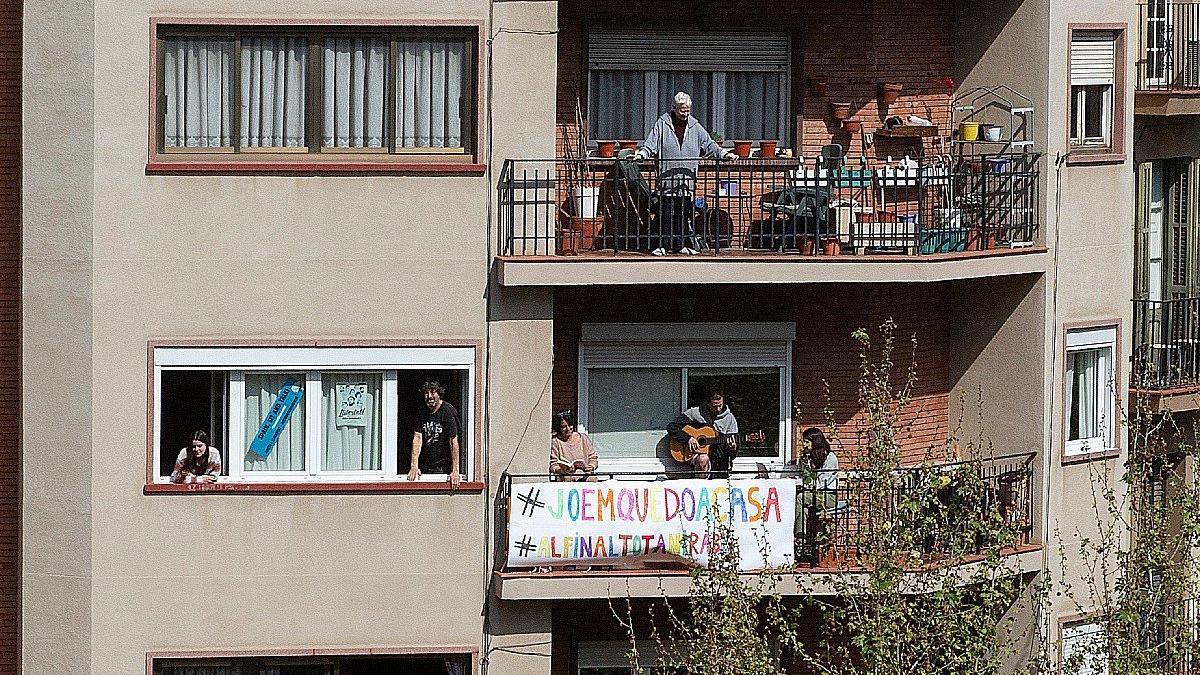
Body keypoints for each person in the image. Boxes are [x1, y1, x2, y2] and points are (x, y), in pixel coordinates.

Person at [635, 92, 739, 256]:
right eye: (682, 111)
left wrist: (724, 154)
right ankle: (661, 245)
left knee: (682, 215)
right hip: (667, 181)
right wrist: (641, 154)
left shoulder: (695, 126)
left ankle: (679, 245)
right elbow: (650, 145)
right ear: (674, 108)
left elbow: (709, 144)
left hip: (687, 181)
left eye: (688, 110)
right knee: (665, 215)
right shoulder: (662, 124)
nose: (685, 114)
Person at [666, 382, 739, 474]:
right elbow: (672, 427)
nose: (718, 409)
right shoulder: (695, 413)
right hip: (695, 458)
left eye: (720, 405)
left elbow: (732, 453)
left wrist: (733, 448)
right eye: (714, 406)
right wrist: (688, 438)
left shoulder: (730, 418)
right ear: (707, 403)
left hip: (719, 462)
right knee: (703, 459)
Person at [795, 427, 840, 563]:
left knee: (800, 498)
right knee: (802, 508)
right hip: (813, 495)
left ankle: (800, 540)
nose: (804, 445)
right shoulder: (807, 458)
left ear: (816, 442)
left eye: (807, 442)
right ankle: (803, 546)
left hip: (828, 496)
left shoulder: (830, 458)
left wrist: (806, 485)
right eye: (804, 441)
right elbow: (803, 476)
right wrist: (805, 463)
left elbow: (821, 482)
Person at [407, 381, 462, 488]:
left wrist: (455, 470)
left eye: (433, 392)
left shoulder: (448, 411)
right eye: (426, 393)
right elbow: (417, 438)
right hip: (426, 465)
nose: (429, 396)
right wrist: (414, 465)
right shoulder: (421, 411)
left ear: (439, 394)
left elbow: (453, 441)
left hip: (443, 467)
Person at [549, 409, 598, 481]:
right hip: (566, 477)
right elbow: (553, 464)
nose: (568, 429)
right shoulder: (556, 441)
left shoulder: (583, 438)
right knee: (567, 478)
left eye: (570, 425)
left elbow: (593, 458)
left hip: (584, 475)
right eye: (564, 427)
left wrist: (591, 467)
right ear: (558, 428)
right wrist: (561, 470)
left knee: (592, 479)